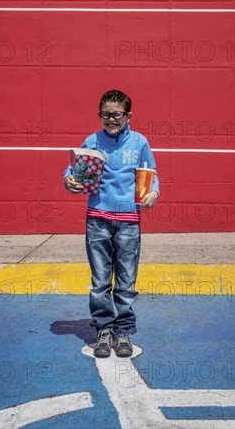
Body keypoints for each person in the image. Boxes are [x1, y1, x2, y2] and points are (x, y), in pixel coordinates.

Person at [63, 89, 159, 358]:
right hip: (98, 219)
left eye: (117, 114)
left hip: (129, 221)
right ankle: (105, 329)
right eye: (105, 114)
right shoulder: (92, 141)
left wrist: (153, 193)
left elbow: (152, 174)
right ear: (99, 115)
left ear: (128, 116)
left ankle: (124, 330)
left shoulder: (140, 142)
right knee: (100, 281)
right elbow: (73, 169)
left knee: (126, 281)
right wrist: (68, 179)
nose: (111, 119)